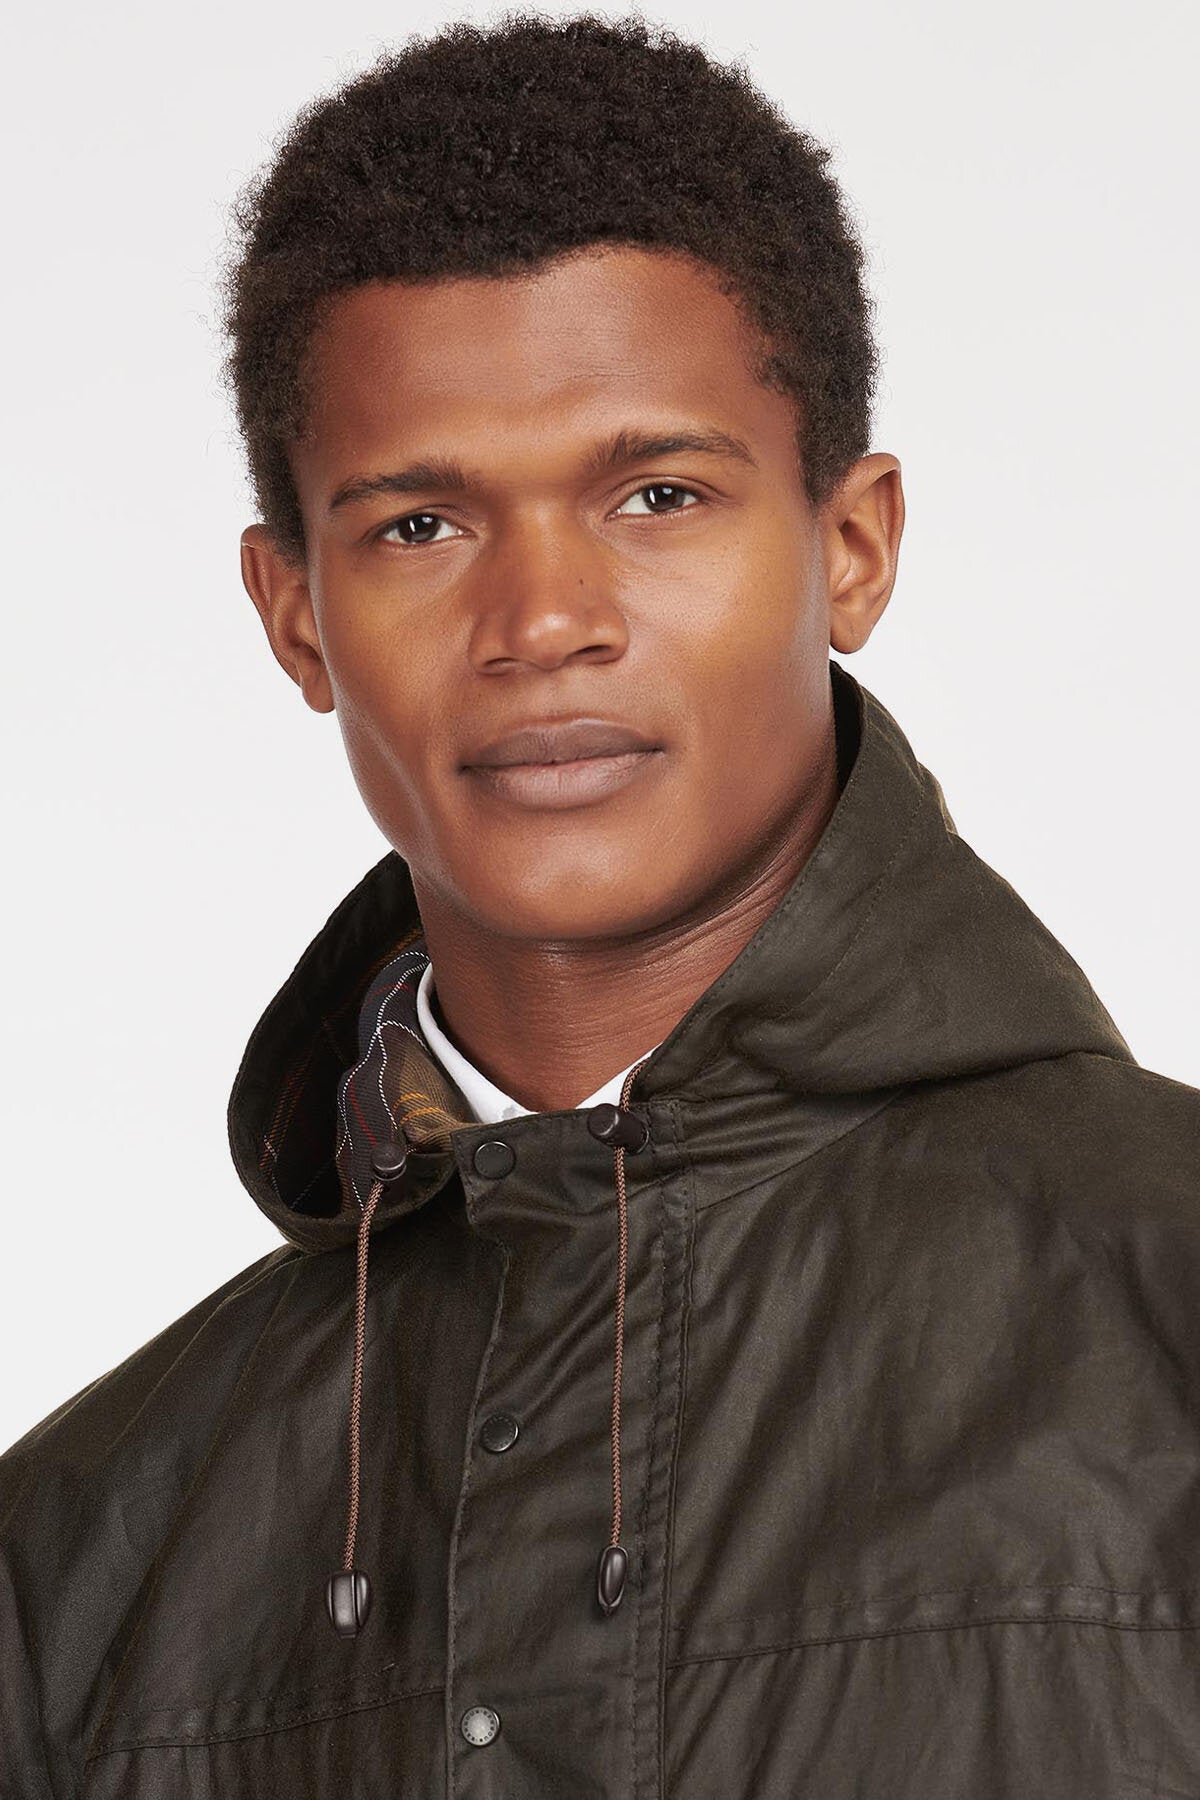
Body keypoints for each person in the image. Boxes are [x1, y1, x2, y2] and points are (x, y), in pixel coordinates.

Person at [3, 11, 1198, 1796]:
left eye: (657, 494)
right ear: (296, 617)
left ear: (851, 546)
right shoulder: (73, 1565)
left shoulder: (1168, 1301)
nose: (543, 620)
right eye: (419, 526)